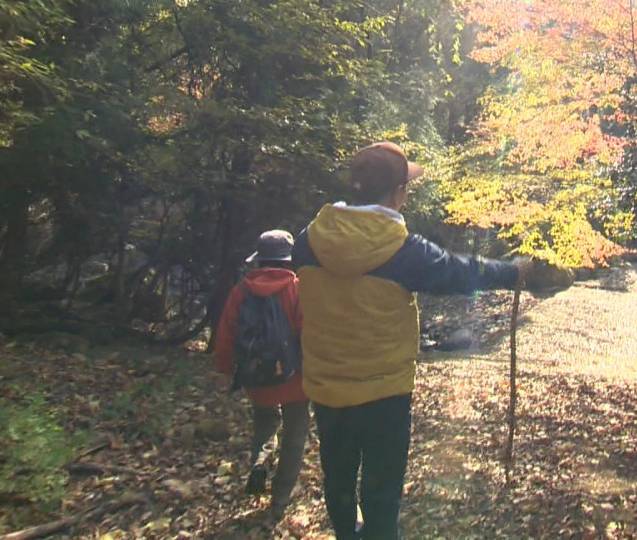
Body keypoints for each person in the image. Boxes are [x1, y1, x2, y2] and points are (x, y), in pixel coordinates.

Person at [287, 141, 529, 540]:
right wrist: (513, 272)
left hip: (327, 388)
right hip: (385, 393)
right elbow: (460, 271)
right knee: (382, 497)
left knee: (338, 480)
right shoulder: (402, 250)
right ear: (399, 192)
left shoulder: (307, 241)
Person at [214, 229, 310, 521]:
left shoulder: (241, 290)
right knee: (295, 435)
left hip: (256, 377)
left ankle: (260, 461)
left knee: (265, 422)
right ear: (287, 260)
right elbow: (308, 332)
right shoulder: (297, 287)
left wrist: (225, 369)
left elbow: (226, 335)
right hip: (294, 379)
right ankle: (279, 500)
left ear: (259, 259)